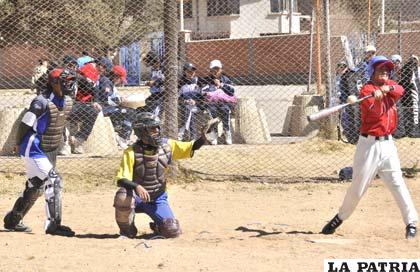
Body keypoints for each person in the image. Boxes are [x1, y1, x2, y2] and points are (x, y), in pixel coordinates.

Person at [321, 56, 418, 240]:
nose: (385, 72)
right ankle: (339, 218)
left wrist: (386, 88)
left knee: (398, 183)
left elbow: (400, 90)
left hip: (388, 145)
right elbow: (373, 109)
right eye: (380, 69)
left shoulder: (389, 85)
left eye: (387, 69)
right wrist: (378, 96)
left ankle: (411, 223)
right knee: (358, 188)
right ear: (371, 72)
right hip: (369, 146)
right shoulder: (366, 91)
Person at [113, 112, 219, 239]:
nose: (157, 131)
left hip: (157, 199)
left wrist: (203, 138)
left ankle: (158, 226)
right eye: (152, 128)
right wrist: (137, 187)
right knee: (122, 195)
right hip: (137, 199)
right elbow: (121, 180)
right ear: (142, 131)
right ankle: (127, 230)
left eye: (157, 127)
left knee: (172, 231)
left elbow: (191, 147)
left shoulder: (167, 146)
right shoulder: (131, 152)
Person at [3, 68, 76, 237]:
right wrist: (17, 142)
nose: (70, 84)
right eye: (66, 81)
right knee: (54, 181)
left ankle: (13, 220)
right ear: (53, 83)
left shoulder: (67, 100)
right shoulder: (41, 102)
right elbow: (25, 124)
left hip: (48, 149)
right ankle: (53, 225)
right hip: (32, 147)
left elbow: (59, 120)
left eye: (72, 80)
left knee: (36, 185)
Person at [199, 59, 236, 145]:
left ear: (221, 69)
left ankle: (227, 132)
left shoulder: (226, 79)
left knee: (225, 110)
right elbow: (202, 91)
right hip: (211, 103)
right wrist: (212, 91)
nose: (215, 71)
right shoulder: (206, 80)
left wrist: (221, 85)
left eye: (217, 69)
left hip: (224, 103)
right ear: (210, 70)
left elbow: (232, 91)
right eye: (213, 69)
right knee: (212, 111)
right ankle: (214, 134)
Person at [178, 62, 203, 141]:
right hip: (184, 105)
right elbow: (177, 98)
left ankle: (181, 133)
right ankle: (192, 136)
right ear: (184, 72)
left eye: (193, 71)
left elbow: (203, 97)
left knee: (190, 109)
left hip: (197, 105)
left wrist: (195, 101)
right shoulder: (180, 83)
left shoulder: (198, 81)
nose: (191, 73)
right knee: (189, 110)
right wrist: (184, 101)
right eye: (189, 71)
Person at [398, 55, 419, 138]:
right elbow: (411, 80)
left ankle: (410, 128)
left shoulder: (407, 68)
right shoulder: (410, 67)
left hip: (407, 91)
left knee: (409, 109)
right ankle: (413, 128)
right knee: (413, 108)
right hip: (411, 90)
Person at [143, 51, 164, 116]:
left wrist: (154, 83)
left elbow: (165, 81)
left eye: (153, 64)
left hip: (161, 94)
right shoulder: (153, 70)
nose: (153, 66)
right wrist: (149, 83)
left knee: (156, 113)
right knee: (148, 103)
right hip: (154, 93)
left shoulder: (163, 69)